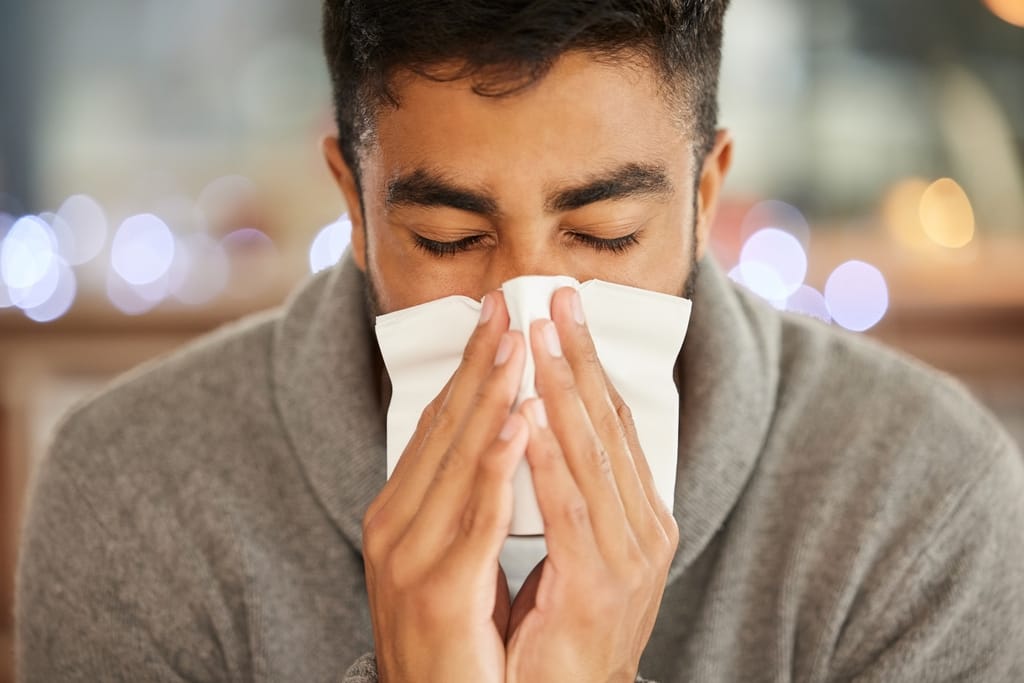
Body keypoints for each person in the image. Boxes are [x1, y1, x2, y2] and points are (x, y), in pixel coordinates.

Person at [16, 1, 1024, 681]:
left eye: (604, 234)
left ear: (704, 194)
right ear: (355, 208)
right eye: (448, 238)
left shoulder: (920, 499)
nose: (525, 305)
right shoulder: (135, 488)